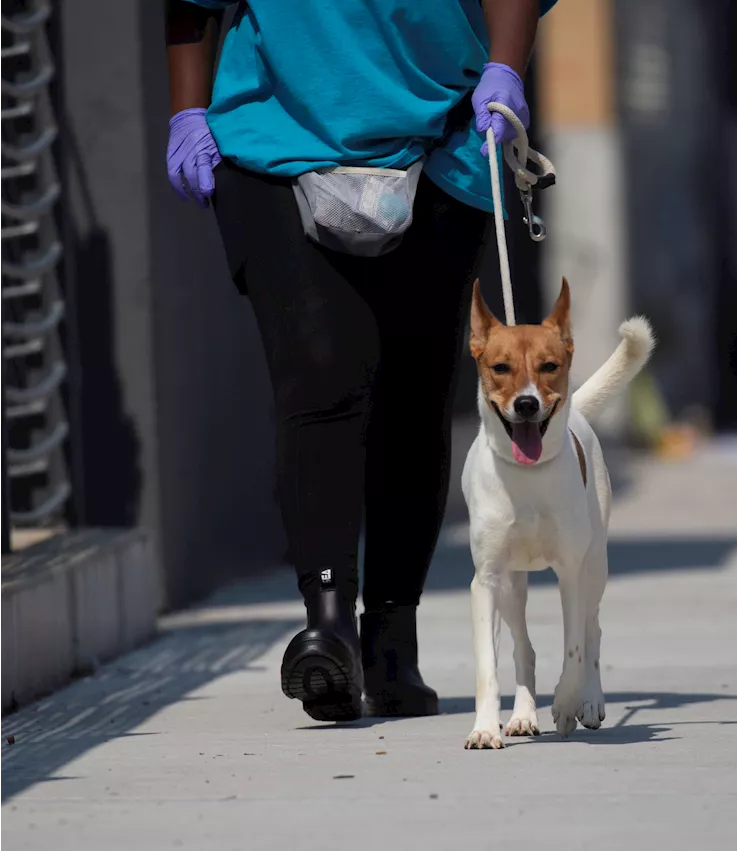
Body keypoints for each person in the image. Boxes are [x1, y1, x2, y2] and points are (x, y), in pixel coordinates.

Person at [164, 0, 556, 723]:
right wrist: (186, 111)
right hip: (272, 135)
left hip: (443, 135)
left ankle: (391, 642)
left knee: (414, 386)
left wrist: (504, 66)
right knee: (319, 374)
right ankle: (329, 628)